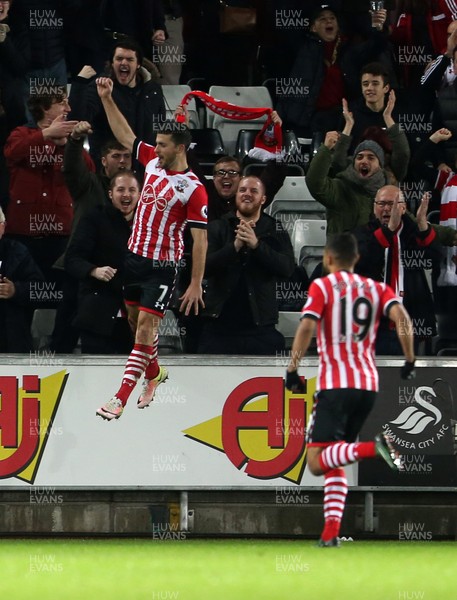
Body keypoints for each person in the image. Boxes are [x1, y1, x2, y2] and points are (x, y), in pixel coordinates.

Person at [285, 231, 416, 547]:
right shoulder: (376, 288)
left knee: (316, 461)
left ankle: (373, 448)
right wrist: (410, 357)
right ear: (356, 260)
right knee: (334, 457)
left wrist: (293, 367)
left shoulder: (323, 286)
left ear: (327, 259)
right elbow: (401, 316)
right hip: (367, 385)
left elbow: (307, 325)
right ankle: (330, 533)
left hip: (335, 384)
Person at [94, 75, 208, 420]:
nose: (155, 149)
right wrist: (106, 99)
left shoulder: (194, 189)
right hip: (134, 259)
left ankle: (120, 397)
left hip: (162, 267)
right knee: (135, 324)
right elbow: (126, 135)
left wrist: (194, 283)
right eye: (156, 144)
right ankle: (155, 373)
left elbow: (199, 239)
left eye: (162, 144)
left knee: (146, 329)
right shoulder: (153, 163)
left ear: (180, 148)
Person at [51, 125, 133, 353]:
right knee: (64, 337)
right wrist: (76, 140)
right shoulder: (88, 184)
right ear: (104, 160)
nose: (122, 161)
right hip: (79, 270)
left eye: (127, 156)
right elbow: (71, 167)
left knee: (110, 340)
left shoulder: (134, 192)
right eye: (116, 156)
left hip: (114, 278)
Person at [198, 175, 295, 355]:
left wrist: (256, 245)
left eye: (254, 191)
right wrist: (234, 247)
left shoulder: (275, 229)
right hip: (218, 328)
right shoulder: (217, 227)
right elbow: (204, 267)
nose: (247, 194)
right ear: (236, 195)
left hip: (261, 330)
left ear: (263, 199)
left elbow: (287, 268)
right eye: (242, 190)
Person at [353, 186, 442, 355]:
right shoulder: (363, 233)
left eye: (392, 204)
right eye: (382, 204)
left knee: (406, 379)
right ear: (374, 207)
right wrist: (388, 231)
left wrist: (423, 224)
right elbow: (363, 260)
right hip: (374, 323)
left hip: (410, 320)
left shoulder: (414, 232)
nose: (387, 209)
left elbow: (435, 258)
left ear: (403, 207)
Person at [277, 4, 388, 138]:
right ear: (313, 27)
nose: (328, 21)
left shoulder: (348, 50)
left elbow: (375, 47)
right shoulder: (303, 47)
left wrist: (378, 28)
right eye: (322, 19)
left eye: (332, 18)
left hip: (339, 118)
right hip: (308, 118)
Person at [65, 170, 140, 354]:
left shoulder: (148, 223)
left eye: (132, 190)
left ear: (140, 194)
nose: (126, 195)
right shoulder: (94, 218)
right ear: (110, 194)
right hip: (98, 313)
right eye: (120, 190)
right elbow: (72, 259)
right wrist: (94, 270)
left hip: (137, 316)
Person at [69, 38, 165, 168]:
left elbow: (160, 127)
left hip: (144, 166)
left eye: (130, 59)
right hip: (108, 168)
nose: (124, 63)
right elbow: (78, 118)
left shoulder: (153, 90)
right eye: (119, 59)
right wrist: (79, 84)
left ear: (138, 65)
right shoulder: (99, 87)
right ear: (112, 63)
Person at [0, 205, 44, 352]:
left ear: (3, 227)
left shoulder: (18, 252)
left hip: (11, 340)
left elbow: (41, 291)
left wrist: (15, 290)